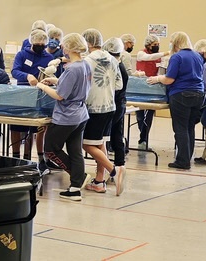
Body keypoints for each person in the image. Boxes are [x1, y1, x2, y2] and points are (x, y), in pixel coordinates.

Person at [38, 33, 92, 201]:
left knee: (51, 149)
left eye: (64, 45)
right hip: (81, 114)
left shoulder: (71, 69)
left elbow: (60, 96)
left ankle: (79, 176)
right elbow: (73, 85)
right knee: (75, 152)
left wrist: (43, 86)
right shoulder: (85, 65)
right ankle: (75, 188)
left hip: (66, 117)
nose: (62, 48)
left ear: (69, 47)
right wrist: (56, 80)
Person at [147, 32, 204, 170]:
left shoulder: (177, 57)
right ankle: (187, 157)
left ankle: (182, 161)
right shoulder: (197, 56)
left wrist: (157, 79)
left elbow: (169, 79)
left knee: (180, 128)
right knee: (190, 127)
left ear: (176, 42)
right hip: (199, 94)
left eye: (171, 41)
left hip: (181, 94)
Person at [79, 29, 122, 194]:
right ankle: (99, 181)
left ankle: (113, 170)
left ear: (87, 43)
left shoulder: (87, 61)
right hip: (109, 106)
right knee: (100, 143)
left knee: (86, 144)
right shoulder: (112, 59)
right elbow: (119, 85)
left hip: (93, 107)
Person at [10, 30, 55, 160]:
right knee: (17, 126)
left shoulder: (48, 58)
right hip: (22, 95)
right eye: (37, 43)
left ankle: (28, 157)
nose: (40, 45)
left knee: (34, 128)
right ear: (31, 42)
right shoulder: (22, 54)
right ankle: (15, 156)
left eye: (43, 43)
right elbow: (15, 71)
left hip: (39, 96)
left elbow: (52, 74)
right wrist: (27, 76)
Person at [103, 37, 130, 196]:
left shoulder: (116, 68)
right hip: (119, 105)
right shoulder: (119, 66)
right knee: (117, 136)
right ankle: (120, 164)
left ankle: (110, 169)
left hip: (113, 105)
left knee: (106, 138)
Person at [134, 35, 165, 149]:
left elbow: (161, 69)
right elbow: (149, 58)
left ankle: (144, 138)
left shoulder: (159, 57)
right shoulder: (141, 54)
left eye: (158, 44)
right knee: (140, 114)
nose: (157, 46)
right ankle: (143, 134)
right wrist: (165, 53)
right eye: (154, 45)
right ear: (148, 45)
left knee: (150, 113)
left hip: (153, 85)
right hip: (140, 85)